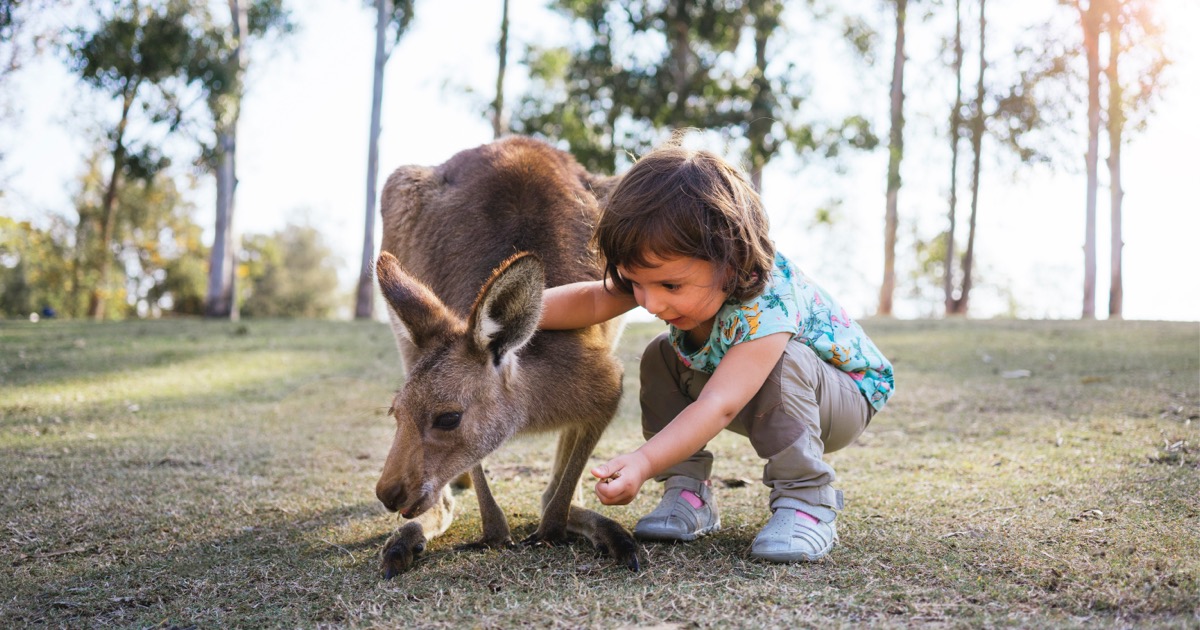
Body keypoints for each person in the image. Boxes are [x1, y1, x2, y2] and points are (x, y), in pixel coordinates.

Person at [539, 142, 894, 563]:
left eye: (670, 287)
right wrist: (499, 316)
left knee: (786, 362)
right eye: (637, 284)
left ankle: (808, 501)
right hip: (760, 395)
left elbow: (720, 404)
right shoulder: (669, 271)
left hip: (841, 401)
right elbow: (592, 301)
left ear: (731, 259)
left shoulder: (768, 302)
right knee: (660, 355)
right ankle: (688, 493)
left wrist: (642, 462)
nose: (650, 304)